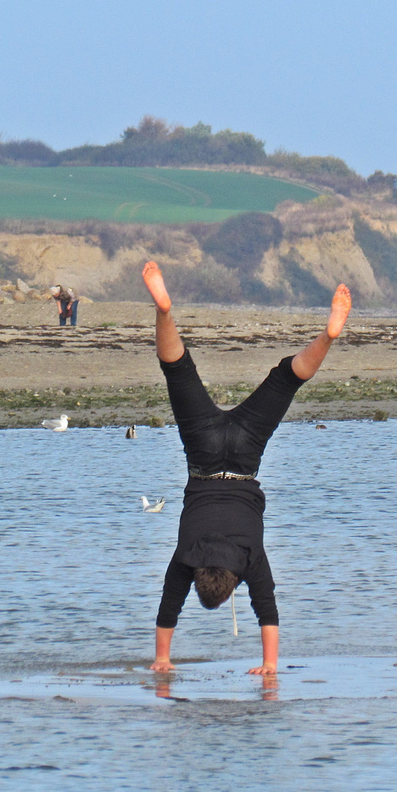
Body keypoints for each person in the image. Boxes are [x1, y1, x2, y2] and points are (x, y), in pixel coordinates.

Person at [143, 259, 351, 676]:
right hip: (202, 454)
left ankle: (329, 335)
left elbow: (267, 609)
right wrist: (161, 659)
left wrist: (269, 666)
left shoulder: (249, 558)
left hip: (244, 456)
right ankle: (164, 310)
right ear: (204, 573)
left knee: (285, 380)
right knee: (177, 372)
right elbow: (169, 604)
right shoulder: (188, 557)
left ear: (233, 580)